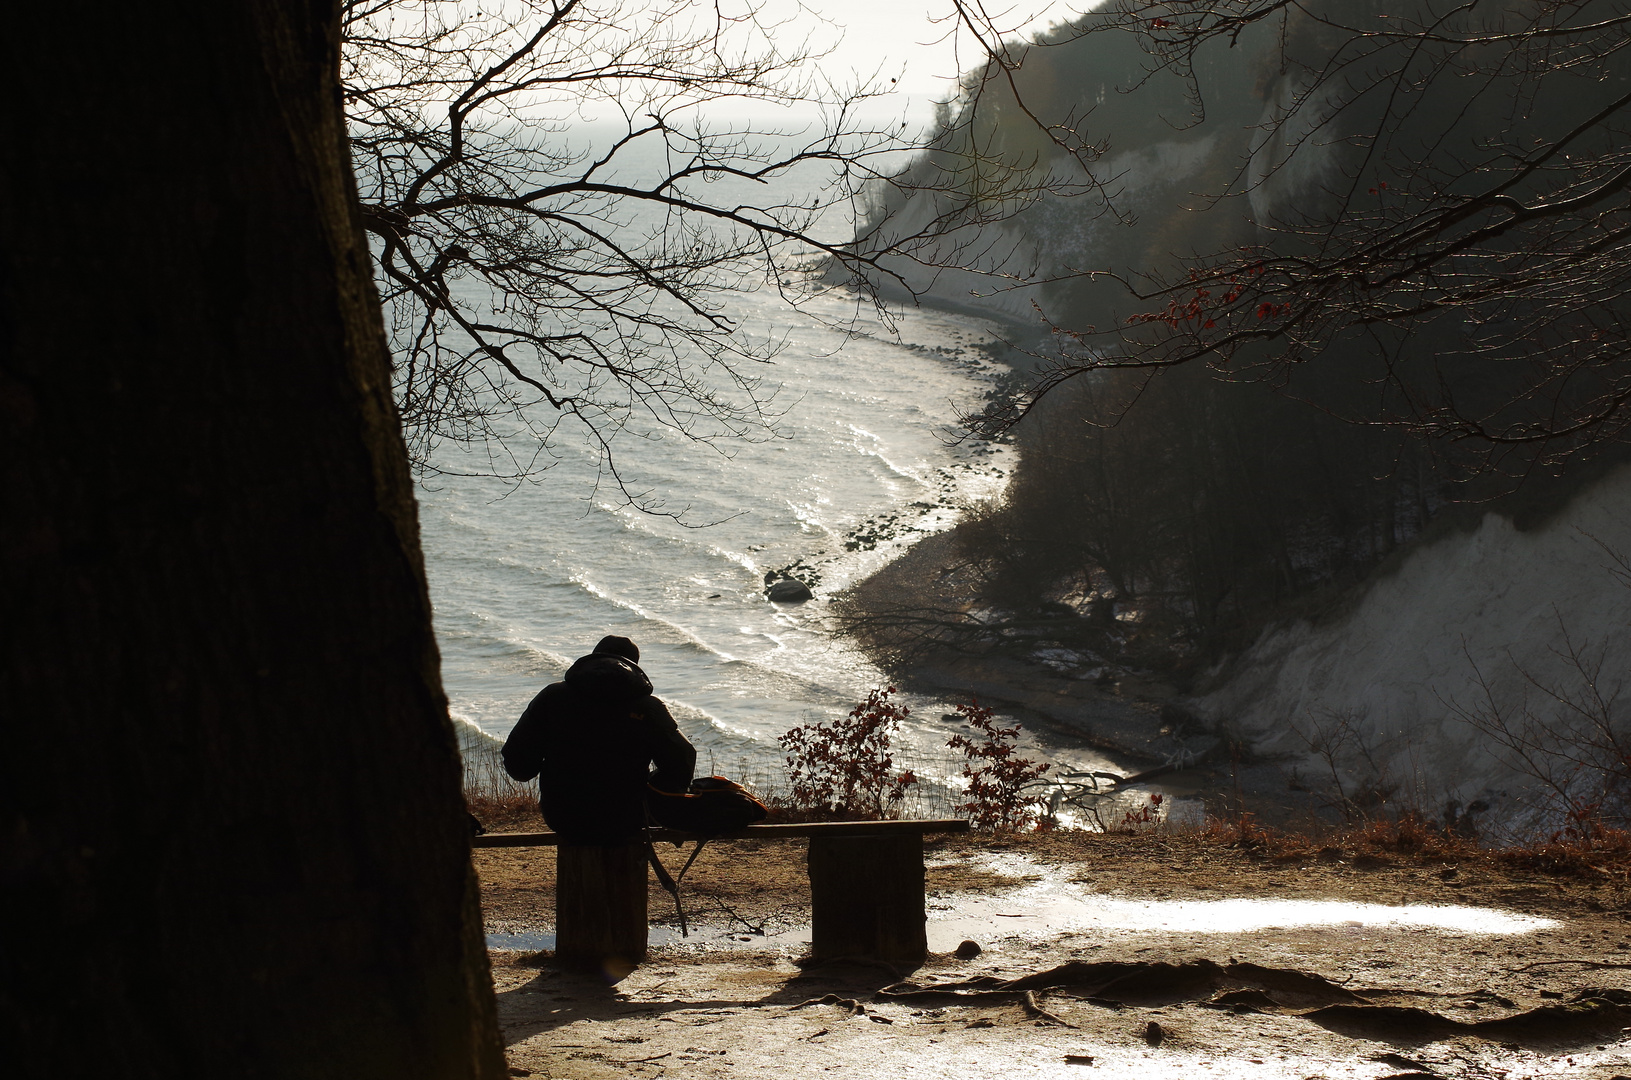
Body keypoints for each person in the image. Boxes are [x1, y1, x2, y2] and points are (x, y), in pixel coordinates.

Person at [501, 635, 695, 844]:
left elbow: (517, 765)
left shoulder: (552, 697)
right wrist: (650, 788)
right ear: (634, 665)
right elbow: (683, 759)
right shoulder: (649, 707)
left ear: (593, 657)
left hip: (562, 816)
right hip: (627, 818)